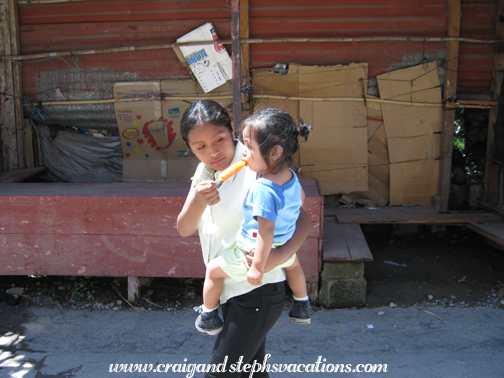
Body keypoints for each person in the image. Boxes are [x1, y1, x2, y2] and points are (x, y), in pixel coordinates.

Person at [177, 100, 311, 378]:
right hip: (229, 290)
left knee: (220, 374)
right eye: (200, 147)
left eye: (220, 140)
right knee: (251, 372)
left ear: (232, 132)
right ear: (189, 148)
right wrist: (200, 202)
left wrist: (278, 256)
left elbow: (303, 218)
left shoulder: (258, 165)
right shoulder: (204, 173)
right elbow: (184, 228)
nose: (213, 152)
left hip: (256, 290)